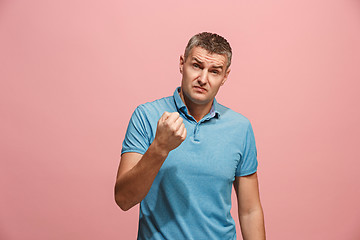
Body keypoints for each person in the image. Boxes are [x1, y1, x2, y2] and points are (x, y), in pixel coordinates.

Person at [114, 32, 266, 240]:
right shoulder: (147, 116)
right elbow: (123, 199)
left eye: (214, 71)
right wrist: (160, 147)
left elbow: (250, 211)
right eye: (196, 66)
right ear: (181, 64)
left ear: (225, 77)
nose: (203, 79)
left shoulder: (240, 127)